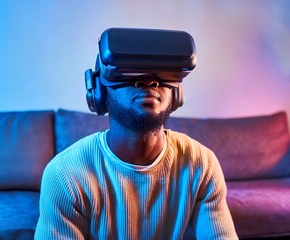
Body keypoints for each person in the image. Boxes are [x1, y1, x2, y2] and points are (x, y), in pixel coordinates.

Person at [35, 28, 238, 239]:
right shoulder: (65, 175)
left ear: (176, 92)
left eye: (163, 73)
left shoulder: (201, 164)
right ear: (99, 91)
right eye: (129, 72)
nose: (149, 82)